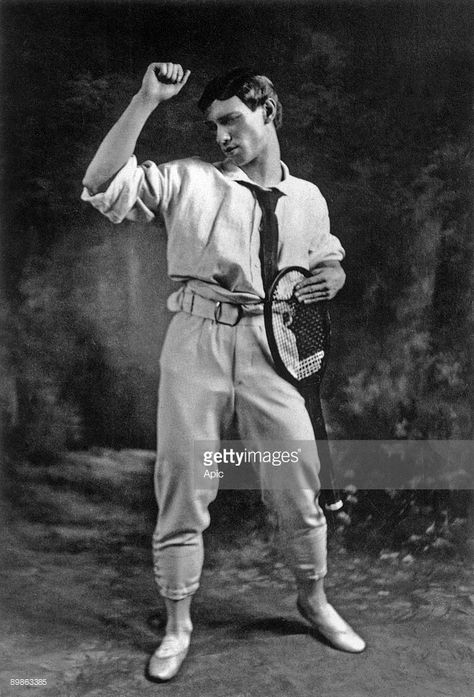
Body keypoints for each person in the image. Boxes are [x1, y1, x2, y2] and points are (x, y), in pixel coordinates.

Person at [81, 61, 366, 682]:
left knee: (300, 482)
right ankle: (178, 623)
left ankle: (313, 599)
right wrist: (146, 98)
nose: (222, 136)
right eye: (214, 126)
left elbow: (326, 257)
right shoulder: (190, 181)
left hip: (277, 349)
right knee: (184, 484)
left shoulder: (308, 197)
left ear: (269, 111)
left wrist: (333, 277)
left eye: (233, 120)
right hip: (197, 342)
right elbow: (102, 182)